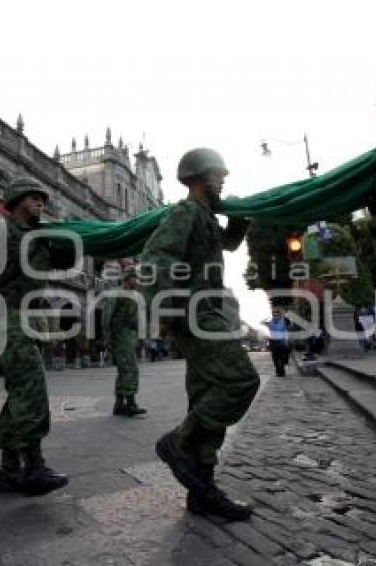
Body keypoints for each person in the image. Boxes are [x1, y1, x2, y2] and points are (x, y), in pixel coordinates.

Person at [139, 148, 259, 521]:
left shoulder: (204, 217)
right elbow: (156, 259)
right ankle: (178, 443)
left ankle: (201, 487)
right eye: (218, 175)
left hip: (207, 311)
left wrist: (238, 221)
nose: (223, 181)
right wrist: (167, 309)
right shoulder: (186, 212)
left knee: (206, 396)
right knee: (240, 381)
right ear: (201, 177)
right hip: (195, 312)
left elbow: (226, 243)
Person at [0, 176, 72, 496]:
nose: (40, 204)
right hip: (2, 317)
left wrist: (62, 243)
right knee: (32, 388)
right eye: (35, 198)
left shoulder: (39, 237)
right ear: (19, 200)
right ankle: (33, 467)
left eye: (42, 200)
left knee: (22, 392)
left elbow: (66, 260)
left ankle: (10, 471)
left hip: (23, 317)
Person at [103, 266, 147, 417]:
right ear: (128, 279)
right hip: (120, 337)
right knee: (130, 369)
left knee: (124, 371)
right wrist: (107, 340)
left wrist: (140, 337)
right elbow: (107, 317)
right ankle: (130, 403)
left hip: (129, 337)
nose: (138, 282)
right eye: (136, 278)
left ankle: (119, 404)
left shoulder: (134, 295)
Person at [265, 307, 291, 377]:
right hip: (273, 342)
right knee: (275, 358)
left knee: (281, 357)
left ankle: (282, 371)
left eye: (276, 314)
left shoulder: (283, 322)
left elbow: (285, 332)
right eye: (274, 314)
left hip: (281, 342)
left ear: (279, 315)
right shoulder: (270, 322)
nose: (275, 316)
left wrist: (286, 341)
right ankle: (278, 370)